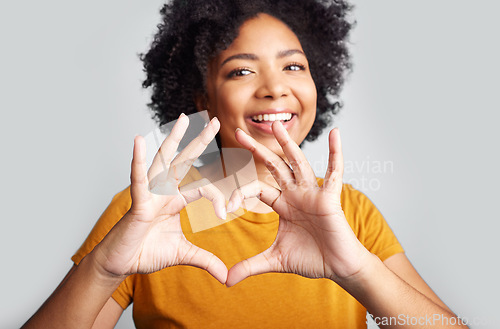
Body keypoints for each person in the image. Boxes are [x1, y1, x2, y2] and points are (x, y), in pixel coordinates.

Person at [22, 0, 468, 328]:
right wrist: (103, 270)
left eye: (294, 67)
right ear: (203, 100)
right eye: (241, 71)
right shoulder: (148, 211)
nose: (275, 88)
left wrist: (359, 273)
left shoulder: (351, 213)